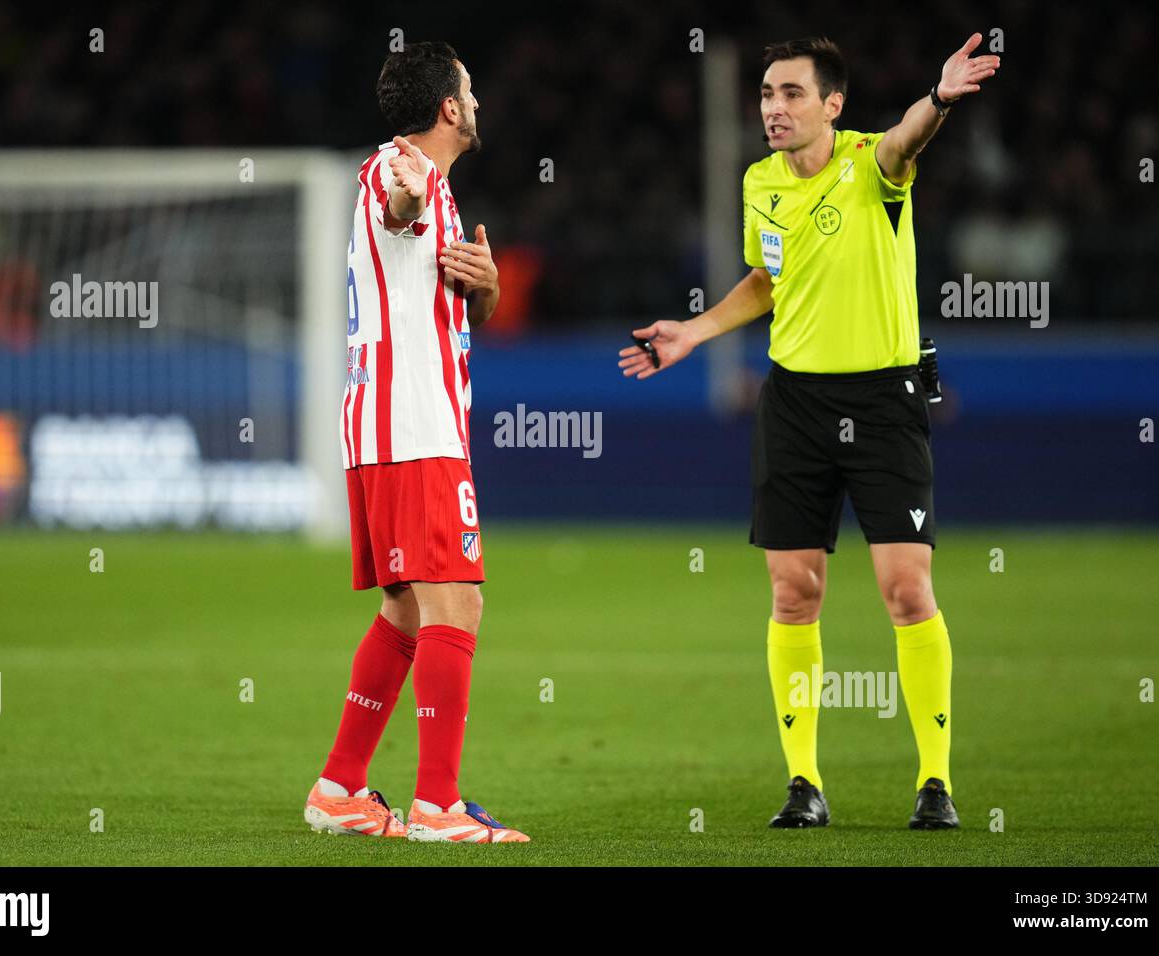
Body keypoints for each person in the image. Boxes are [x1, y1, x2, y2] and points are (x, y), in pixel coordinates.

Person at [619, 34, 1000, 829]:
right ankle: (804, 785)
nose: (773, 108)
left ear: (832, 104)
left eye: (792, 93)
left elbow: (905, 142)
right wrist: (695, 330)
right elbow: (769, 278)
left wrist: (936, 100)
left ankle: (935, 782)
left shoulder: (873, 163)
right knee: (795, 594)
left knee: (906, 589)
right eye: (765, 94)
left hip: (884, 399)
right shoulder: (759, 181)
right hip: (794, 402)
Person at [304, 41, 528, 843]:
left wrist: (489, 287)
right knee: (455, 602)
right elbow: (400, 210)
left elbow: (447, 302)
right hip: (413, 423)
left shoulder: (417, 182)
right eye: (469, 89)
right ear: (447, 109)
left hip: (386, 420)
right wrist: (408, 201)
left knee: (406, 606)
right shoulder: (404, 176)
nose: (477, 101)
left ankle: (340, 788)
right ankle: (438, 805)